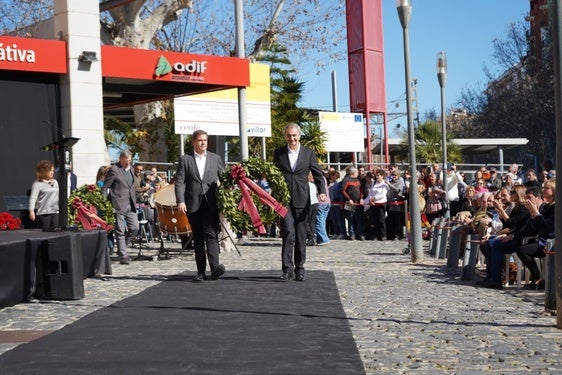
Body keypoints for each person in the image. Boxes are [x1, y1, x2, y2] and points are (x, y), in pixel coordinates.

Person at [273, 123, 327, 282]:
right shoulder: (279, 153)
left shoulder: (308, 153)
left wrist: (322, 191)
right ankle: (287, 269)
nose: (292, 138)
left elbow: (318, 174)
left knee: (301, 235)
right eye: (289, 136)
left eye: (294, 135)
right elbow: (273, 174)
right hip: (284, 200)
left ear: (299, 136)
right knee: (288, 232)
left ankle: (300, 268)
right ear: (285, 137)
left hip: (303, 199)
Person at [175, 129, 225, 282]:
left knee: (211, 234)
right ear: (194, 142)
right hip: (193, 203)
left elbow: (223, 178)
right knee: (197, 237)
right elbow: (180, 182)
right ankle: (201, 271)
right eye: (200, 140)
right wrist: (180, 201)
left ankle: (215, 268)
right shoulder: (185, 159)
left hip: (211, 202)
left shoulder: (215, 158)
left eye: (205, 140)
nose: (203, 143)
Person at [102, 150, 139, 265]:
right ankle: (123, 255)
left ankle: (121, 248)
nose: (128, 162)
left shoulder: (132, 170)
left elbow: (132, 187)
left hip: (131, 204)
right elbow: (105, 187)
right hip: (118, 203)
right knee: (120, 230)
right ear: (121, 159)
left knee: (134, 228)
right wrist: (103, 202)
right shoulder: (114, 169)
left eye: (130, 160)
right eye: (126, 160)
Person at [28, 160, 59, 230]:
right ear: (43, 172)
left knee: (57, 234)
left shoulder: (55, 182)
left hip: (55, 212)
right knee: (45, 235)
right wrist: (31, 211)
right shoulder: (37, 184)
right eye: (50, 171)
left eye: (53, 170)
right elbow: (33, 198)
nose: (52, 172)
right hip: (44, 213)